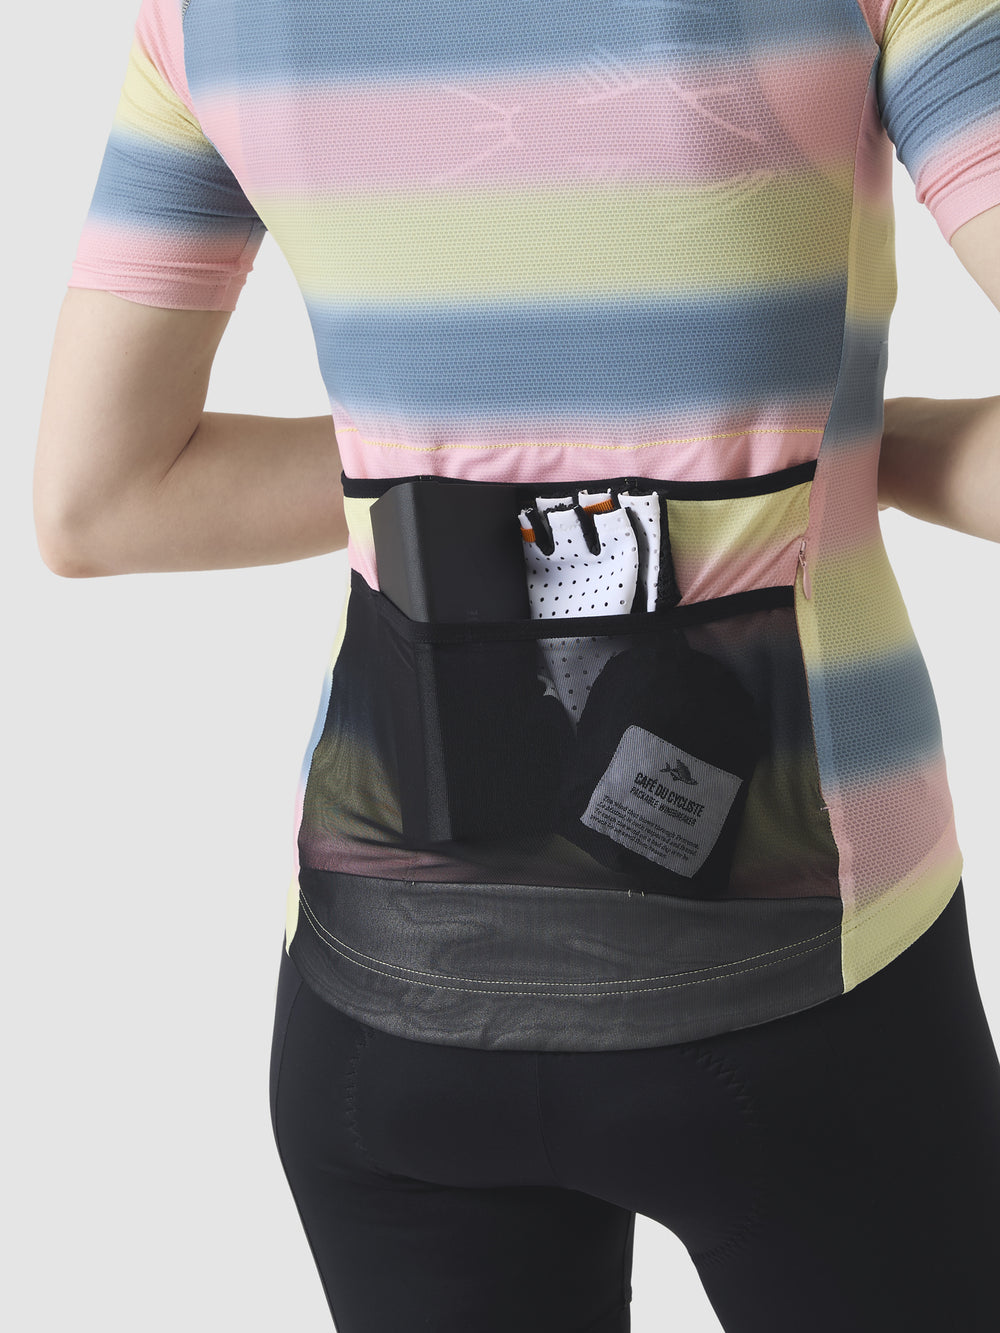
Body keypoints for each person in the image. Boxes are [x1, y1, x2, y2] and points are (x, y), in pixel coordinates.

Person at [34, 0, 1000, 1328]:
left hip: (384, 997)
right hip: (802, 980)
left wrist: (438, 474)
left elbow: (103, 500)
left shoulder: (204, 17)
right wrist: (840, 451)